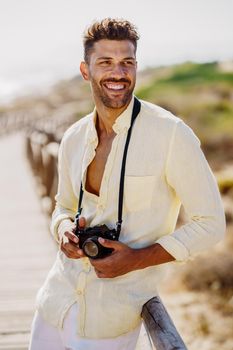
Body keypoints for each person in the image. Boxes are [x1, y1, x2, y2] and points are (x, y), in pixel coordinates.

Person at [29, 18, 226, 350]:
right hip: (54, 304)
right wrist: (63, 228)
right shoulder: (74, 138)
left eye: (127, 62)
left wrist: (137, 258)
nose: (118, 73)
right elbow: (62, 206)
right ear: (85, 70)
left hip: (111, 321)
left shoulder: (171, 134)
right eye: (105, 62)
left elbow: (211, 224)